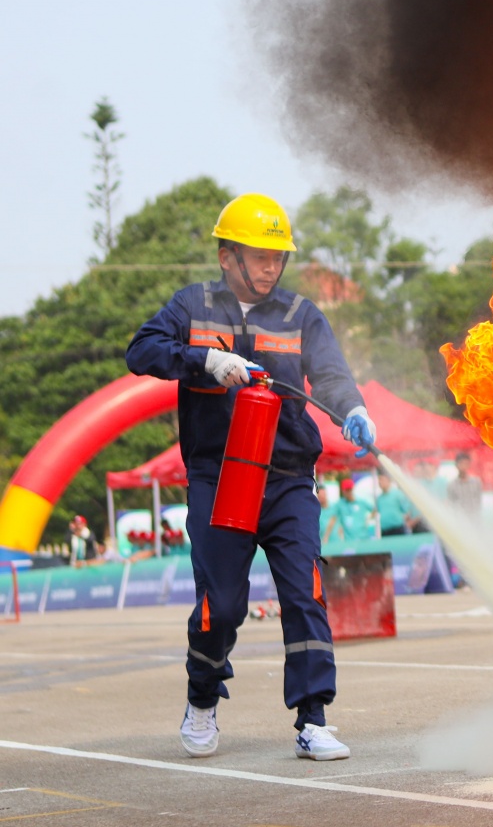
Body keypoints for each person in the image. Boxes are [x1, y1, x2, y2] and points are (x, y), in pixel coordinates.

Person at [126, 192, 378, 761]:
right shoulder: (192, 306)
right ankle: (202, 698)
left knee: (305, 591)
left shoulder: (300, 315)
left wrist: (354, 410)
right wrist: (204, 360)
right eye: (259, 255)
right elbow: (141, 350)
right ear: (226, 256)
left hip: (287, 476)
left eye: (277, 256)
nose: (271, 267)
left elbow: (333, 377)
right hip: (219, 477)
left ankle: (313, 719)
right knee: (223, 604)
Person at [325, 477, 377, 543]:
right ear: (343, 491)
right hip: (349, 540)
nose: (348, 492)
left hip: (363, 538)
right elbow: (333, 519)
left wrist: (368, 519)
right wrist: (326, 536)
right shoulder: (340, 504)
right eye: (346, 490)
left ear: (352, 489)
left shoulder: (361, 501)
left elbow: (374, 509)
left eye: (349, 490)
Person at [375, 469, 416, 536]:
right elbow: (377, 511)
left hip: (398, 528)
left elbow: (408, 509)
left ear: (388, 480)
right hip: (385, 530)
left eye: (381, 479)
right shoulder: (379, 498)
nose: (380, 482)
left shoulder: (397, 494)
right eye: (379, 480)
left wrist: (405, 520)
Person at [448, 451, 483, 516]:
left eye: (466, 464)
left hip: (474, 517)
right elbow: (451, 504)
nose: (463, 466)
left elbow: (479, 501)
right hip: (459, 518)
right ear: (456, 465)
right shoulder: (452, 485)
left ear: (469, 465)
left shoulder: (476, 482)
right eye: (461, 463)